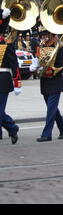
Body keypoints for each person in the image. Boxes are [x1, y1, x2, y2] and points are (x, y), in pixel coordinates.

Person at [30, 26, 63, 142]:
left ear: (52, 34)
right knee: (53, 109)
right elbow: (39, 61)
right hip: (45, 81)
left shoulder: (59, 47)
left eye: (46, 34)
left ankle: (46, 134)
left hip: (55, 81)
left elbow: (62, 66)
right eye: (42, 35)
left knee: (51, 110)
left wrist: (50, 70)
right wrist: (37, 68)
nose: (43, 37)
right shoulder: (41, 47)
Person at [0, 8, 20, 144]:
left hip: (3, 80)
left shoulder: (6, 43)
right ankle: (12, 128)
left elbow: (14, 64)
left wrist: (18, 83)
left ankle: (12, 128)